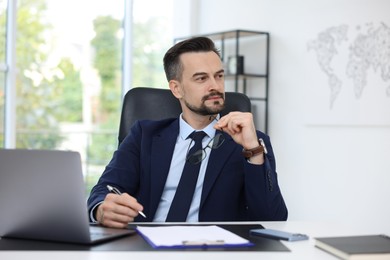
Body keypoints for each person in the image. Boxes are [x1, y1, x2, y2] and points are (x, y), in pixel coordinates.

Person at [87, 36, 288, 228]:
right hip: (145, 245)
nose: (215, 86)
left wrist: (253, 151)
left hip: (213, 248)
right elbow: (104, 189)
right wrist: (102, 209)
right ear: (177, 89)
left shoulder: (250, 142)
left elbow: (272, 218)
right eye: (201, 78)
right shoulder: (144, 135)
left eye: (219, 76)